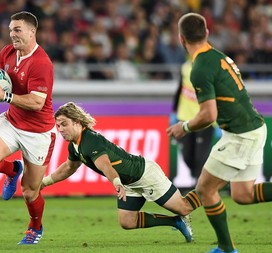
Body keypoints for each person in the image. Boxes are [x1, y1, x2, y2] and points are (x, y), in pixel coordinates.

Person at [167, 13, 271, 253]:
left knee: (205, 189)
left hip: (241, 135)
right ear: (207, 34)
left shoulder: (200, 67)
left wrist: (183, 127)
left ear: (181, 39)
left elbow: (208, 115)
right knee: (243, 194)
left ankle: (226, 248)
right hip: (254, 128)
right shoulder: (218, 56)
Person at [41, 102, 197, 243]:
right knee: (128, 222)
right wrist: (44, 183)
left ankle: (207, 191)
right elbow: (68, 167)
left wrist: (116, 182)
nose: (60, 129)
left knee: (184, 208)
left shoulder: (90, 140)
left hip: (144, 174)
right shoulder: (74, 145)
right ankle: (176, 221)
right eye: (58, 125)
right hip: (127, 182)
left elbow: (106, 165)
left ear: (76, 122)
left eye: (64, 124)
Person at [0, 11, 57, 245]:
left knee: (30, 192)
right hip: (12, 122)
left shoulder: (42, 63)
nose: (12, 34)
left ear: (32, 31)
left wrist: (5, 96)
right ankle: (11, 170)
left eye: (17, 30)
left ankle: (35, 227)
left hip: (38, 132)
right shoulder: (7, 52)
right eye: (10, 30)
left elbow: (37, 102)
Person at [170, 58, 215, 188]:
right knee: (187, 156)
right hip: (184, 119)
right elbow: (180, 90)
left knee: (200, 156)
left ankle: (199, 185)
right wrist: (174, 112)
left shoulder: (211, 69)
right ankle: (200, 179)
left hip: (204, 119)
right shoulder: (185, 67)